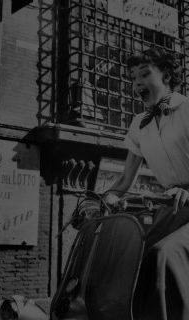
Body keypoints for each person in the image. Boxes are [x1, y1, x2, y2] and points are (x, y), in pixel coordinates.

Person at [104, 48, 189, 320]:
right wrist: (103, 200)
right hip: (174, 210)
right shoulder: (139, 124)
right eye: (132, 77)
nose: (136, 82)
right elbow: (124, 180)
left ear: (165, 75)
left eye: (144, 74)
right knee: (126, 255)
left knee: (164, 254)